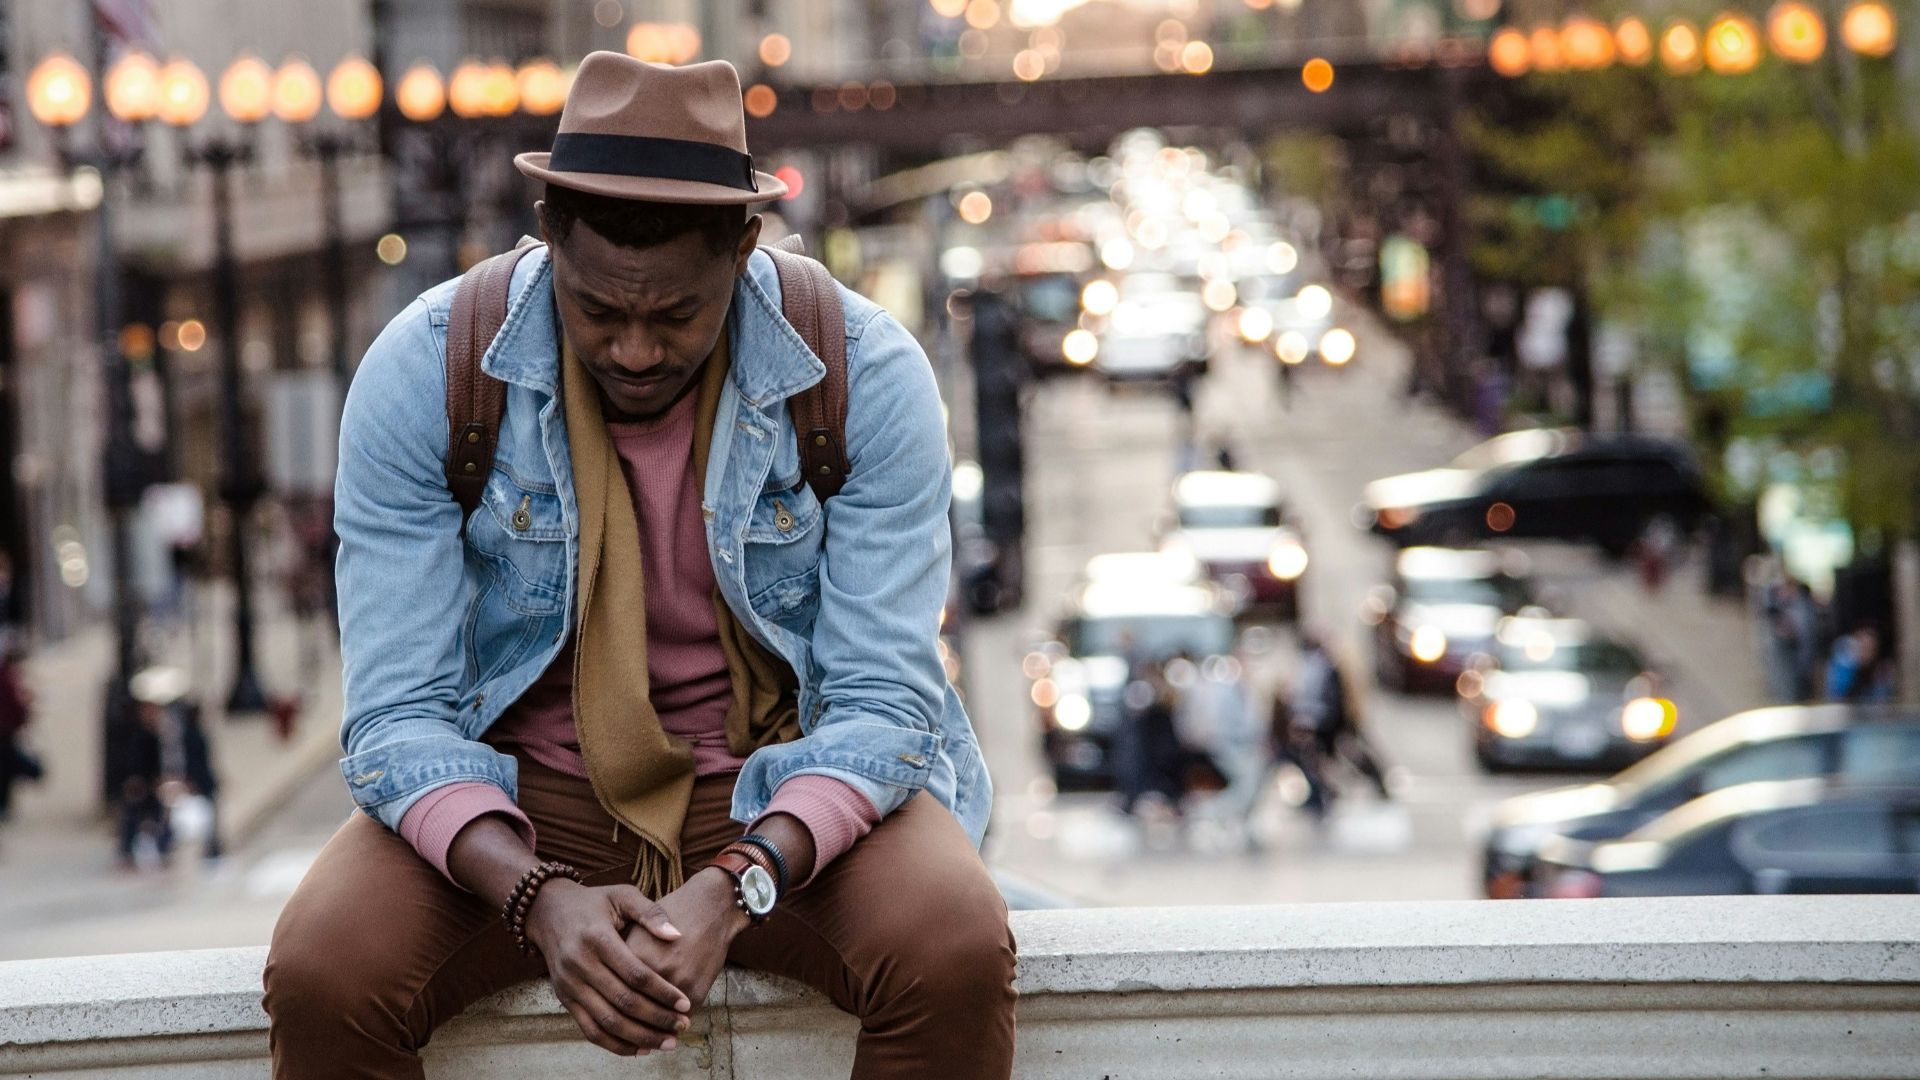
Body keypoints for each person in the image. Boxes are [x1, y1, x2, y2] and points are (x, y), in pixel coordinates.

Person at [263, 55, 1011, 1080]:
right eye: (599, 311)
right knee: (325, 973)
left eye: (676, 317)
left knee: (953, 943)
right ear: (550, 229)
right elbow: (395, 717)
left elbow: (885, 706)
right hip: (521, 795)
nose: (635, 351)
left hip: (779, 783)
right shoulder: (426, 368)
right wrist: (535, 895)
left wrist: (738, 882)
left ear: (744, 249)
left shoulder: (862, 374)